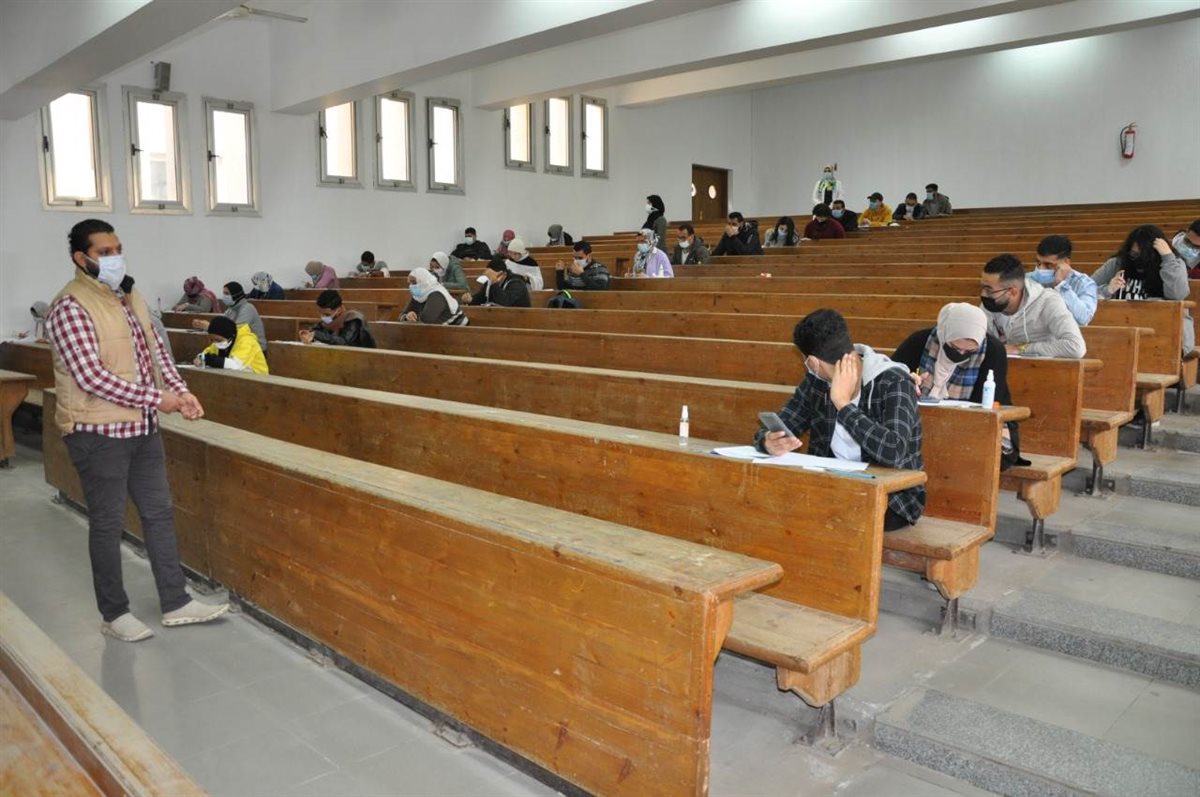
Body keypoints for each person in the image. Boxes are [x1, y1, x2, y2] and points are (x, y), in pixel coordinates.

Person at [44, 218, 228, 642]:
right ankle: (114, 614)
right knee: (108, 523)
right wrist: (156, 399)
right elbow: (91, 377)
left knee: (159, 512)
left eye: (118, 249)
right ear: (81, 258)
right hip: (97, 431)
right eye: (104, 252)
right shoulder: (70, 306)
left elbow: (158, 355)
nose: (115, 258)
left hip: (142, 427)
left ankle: (175, 601)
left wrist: (181, 393)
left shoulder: (130, 295)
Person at [754, 308, 924, 531]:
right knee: (770, 503)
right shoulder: (815, 382)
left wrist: (843, 405)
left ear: (813, 361)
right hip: (831, 485)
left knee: (818, 517)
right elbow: (785, 422)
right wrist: (767, 441)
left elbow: (893, 452)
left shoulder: (894, 382)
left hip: (892, 498)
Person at [893, 303, 1025, 469]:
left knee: (982, 456)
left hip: (975, 422)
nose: (961, 354)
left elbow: (987, 402)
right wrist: (907, 383)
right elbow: (888, 379)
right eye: (954, 348)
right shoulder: (919, 341)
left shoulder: (992, 350)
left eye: (969, 352)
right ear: (944, 333)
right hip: (919, 419)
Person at [1092, 224, 1194, 352]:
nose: (1138, 260)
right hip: (1122, 330)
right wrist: (1107, 289)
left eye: (1143, 256)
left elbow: (1178, 295)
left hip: (1161, 333)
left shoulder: (1173, 264)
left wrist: (1167, 258)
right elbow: (1087, 291)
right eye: (1133, 254)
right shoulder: (1118, 263)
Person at [979, 254, 1086, 358]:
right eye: (983, 288)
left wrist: (1020, 348)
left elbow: (1076, 347)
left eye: (989, 290)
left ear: (1013, 292)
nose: (983, 294)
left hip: (1041, 367)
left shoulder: (1048, 302)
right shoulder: (990, 304)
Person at [1032, 235, 1097, 326]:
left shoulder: (1084, 283)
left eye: (1048, 264)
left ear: (1066, 263)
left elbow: (1084, 318)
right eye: (1038, 263)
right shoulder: (1031, 279)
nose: (1041, 269)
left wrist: (1061, 285)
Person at [299, 290, 376, 348]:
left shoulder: (354, 319)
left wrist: (316, 335)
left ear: (339, 310)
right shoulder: (329, 321)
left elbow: (344, 342)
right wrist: (308, 336)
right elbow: (316, 330)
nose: (323, 317)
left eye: (327, 314)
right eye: (321, 314)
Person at [194, 316, 268, 374]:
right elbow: (207, 352)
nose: (215, 343)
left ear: (229, 336)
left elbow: (236, 365)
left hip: (258, 378)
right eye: (212, 340)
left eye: (218, 340)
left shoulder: (246, 341)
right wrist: (200, 357)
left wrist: (209, 360)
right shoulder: (220, 342)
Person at [401, 268, 466, 325]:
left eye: (414, 283)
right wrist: (407, 316)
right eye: (409, 283)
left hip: (457, 331)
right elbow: (402, 315)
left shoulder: (437, 294)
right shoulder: (418, 296)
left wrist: (414, 318)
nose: (411, 286)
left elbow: (427, 320)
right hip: (437, 331)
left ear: (423, 281)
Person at [462, 257, 531, 307]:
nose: (490, 279)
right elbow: (481, 297)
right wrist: (471, 299)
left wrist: (494, 282)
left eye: (492, 276)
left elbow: (505, 303)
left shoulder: (516, 283)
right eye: (489, 276)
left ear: (503, 274)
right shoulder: (490, 282)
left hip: (519, 317)